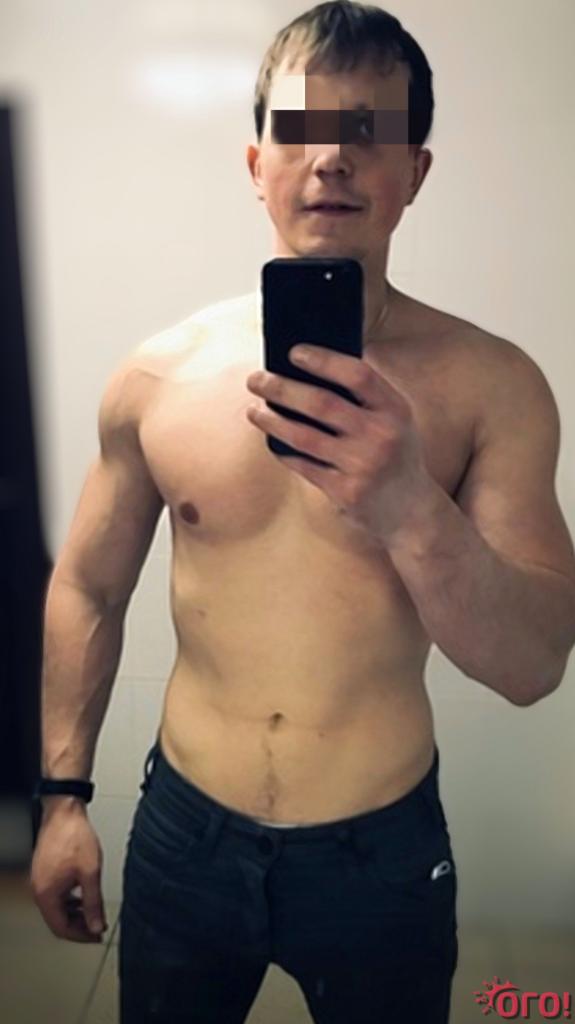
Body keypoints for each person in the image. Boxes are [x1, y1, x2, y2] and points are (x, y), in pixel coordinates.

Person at [29, 2, 575, 1022]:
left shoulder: (494, 388)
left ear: (412, 171)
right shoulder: (157, 377)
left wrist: (406, 500)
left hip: (379, 851)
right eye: (299, 130)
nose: (330, 158)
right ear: (256, 164)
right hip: (186, 832)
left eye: (365, 129)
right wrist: (62, 800)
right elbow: (87, 588)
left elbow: (532, 664)